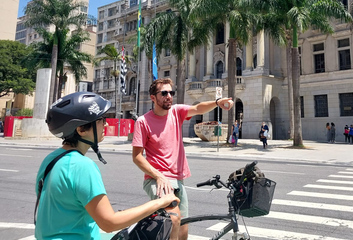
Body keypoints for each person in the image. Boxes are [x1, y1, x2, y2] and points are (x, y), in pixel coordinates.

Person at [36, 92, 179, 240]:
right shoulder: (83, 166)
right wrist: (160, 202)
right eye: (101, 120)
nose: (106, 124)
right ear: (81, 130)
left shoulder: (50, 159)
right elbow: (109, 223)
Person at [132, 78, 233, 240]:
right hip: (156, 180)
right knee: (174, 218)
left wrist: (217, 102)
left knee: (183, 230)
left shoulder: (176, 112)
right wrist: (159, 176)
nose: (169, 96)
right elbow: (137, 157)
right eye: (164, 93)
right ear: (153, 98)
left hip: (178, 180)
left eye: (171, 93)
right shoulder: (143, 122)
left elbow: (197, 108)